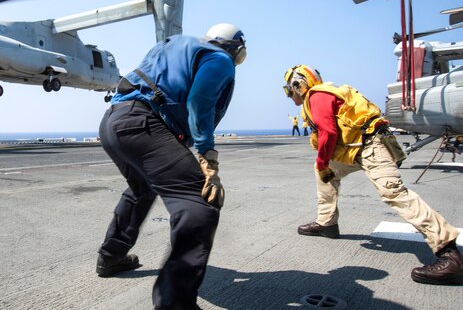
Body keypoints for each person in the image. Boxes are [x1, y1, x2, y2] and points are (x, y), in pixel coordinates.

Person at [97, 23, 246, 309]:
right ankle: (174, 304)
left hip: (112, 122)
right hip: (142, 125)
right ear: (236, 49)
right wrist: (207, 157)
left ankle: (111, 256)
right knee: (200, 205)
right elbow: (199, 103)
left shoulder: (175, 44)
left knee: (141, 189)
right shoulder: (220, 59)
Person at [283, 64, 463, 285]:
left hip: (370, 148)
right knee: (326, 175)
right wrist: (324, 167)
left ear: (298, 85)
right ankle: (326, 223)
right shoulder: (322, 95)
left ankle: (449, 253)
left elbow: (328, 133)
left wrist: (322, 163)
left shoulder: (316, 96)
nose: (289, 95)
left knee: (394, 193)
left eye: (288, 90)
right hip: (355, 149)